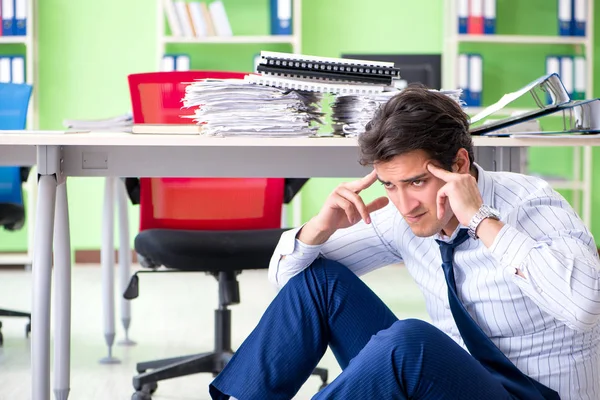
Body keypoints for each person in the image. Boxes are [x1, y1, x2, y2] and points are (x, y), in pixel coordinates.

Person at [208, 84, 600, 400]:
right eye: (390, 186)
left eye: (417, 182)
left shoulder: (532, 202)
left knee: (409, 343)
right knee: (319, 282)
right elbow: (292, 287)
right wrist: (319, 228)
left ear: (459, 166)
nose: (405, 204)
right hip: (455, 385)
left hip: (539, 394)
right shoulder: (404, 215)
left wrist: (480, 220)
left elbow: (586, 307)